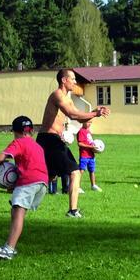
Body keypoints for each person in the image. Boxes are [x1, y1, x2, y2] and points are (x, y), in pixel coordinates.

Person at [37, 69, 109, 218]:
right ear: (64, 80)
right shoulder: (58, 95)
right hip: (49, 140)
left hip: (52, 140)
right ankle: (73, 211)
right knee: (75, 172)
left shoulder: (67, 98)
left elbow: (80, 118)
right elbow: (72, 114)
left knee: (48, 176)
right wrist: (94, 114)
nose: (75, 82)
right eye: (73, 79)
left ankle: (22, 201)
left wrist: (95, 112)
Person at [0, 116, 50, 261]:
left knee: (18, 214)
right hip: (42, 183)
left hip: (28, 182)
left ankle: (9, 249)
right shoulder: (37, 146)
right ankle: (10, 246)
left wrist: (0, 162)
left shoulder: (18, 142)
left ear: (15, 131)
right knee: (16, 212)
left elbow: (0, 158)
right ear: (31, 131)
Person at [76, 118, 101, 191]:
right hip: (84, 155)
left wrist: (95, 148)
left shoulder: (88, 131)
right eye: (88, 122)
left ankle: (93, 185)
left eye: (90, 122)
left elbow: (90, 142)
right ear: (83, 122)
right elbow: (80, 143)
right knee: (81, 171)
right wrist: (90, 147)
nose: (89, 124)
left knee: (92, 170)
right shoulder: (81, 131)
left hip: (91, 155)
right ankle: (78, 187)